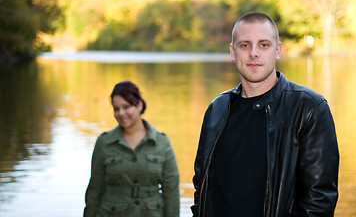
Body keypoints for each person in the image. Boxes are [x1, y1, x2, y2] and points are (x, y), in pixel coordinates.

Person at [191, 12, 339, 217]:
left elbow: (319, 199)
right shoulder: (217, 109)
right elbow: (202, 185)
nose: (253, 53)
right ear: (233, 52)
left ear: (277, 51)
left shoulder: (309, 108)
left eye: (263, 45)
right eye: (244, 45)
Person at [84, 81, 180, 217]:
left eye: (126, 107)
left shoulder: (161, 142)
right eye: (116, 108)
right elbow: (95, 189)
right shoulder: (104, 143)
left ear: (139, 105)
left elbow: (171, 191)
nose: (121, 113)